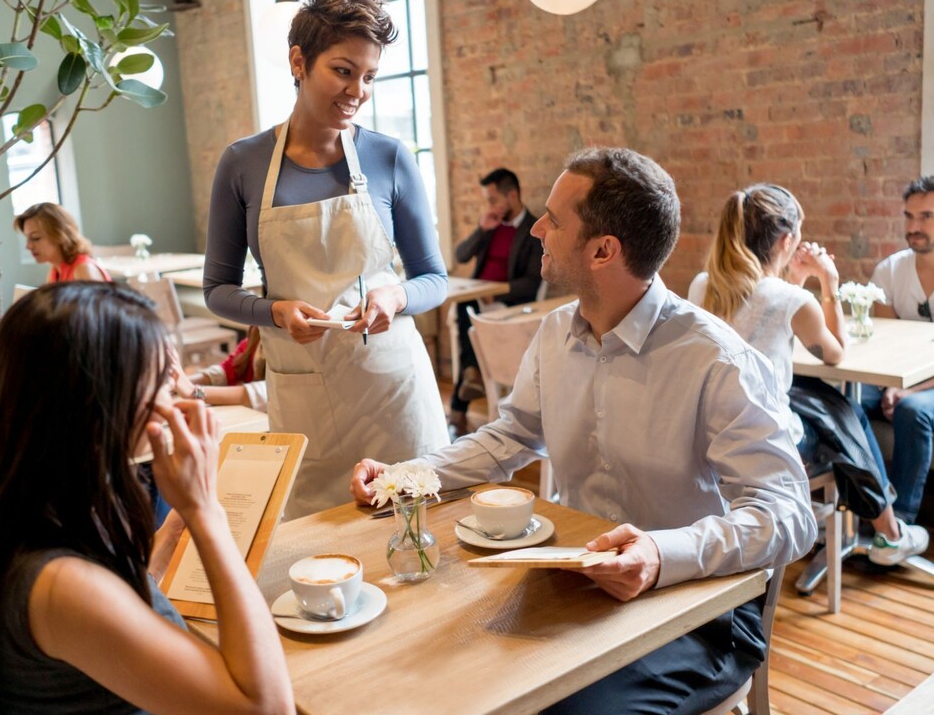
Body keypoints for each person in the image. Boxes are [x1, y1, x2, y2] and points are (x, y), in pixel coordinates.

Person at [350, 147, 816, 715]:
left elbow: (789, 515)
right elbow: (508, 438)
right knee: (428, 671)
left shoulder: (716, 358)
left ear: (603, 250)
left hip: (696, 610)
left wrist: (660, 554)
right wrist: (405, 477)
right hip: (574, 584)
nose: (538, 229)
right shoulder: (552, 334)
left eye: (554, 219)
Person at [0, 283, 294, 715]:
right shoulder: (60, 585)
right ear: (100, 403)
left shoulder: (18, 509)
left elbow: (121, 598)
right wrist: (205, 511)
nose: (176, 397)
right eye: (161, 380)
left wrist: (171, 533)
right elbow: (267, 707)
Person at [203, 0, 448, 518]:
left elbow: (433, 277)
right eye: (343, 71)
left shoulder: (388, 157)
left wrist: (396, 297)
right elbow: (216, 290)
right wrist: (274, 311)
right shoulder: (243, 164)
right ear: (299, 61)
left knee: (414, 545)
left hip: (393, 395)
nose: (357, 90)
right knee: (316, 553)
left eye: (369, 76)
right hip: (303, 398)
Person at [689, 184, 928, 565]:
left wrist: (794, 281)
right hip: (764, 439)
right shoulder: (791, 299)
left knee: (829, 404)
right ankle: (887, 531)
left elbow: (764, 326)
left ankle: (869, 526)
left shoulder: (703, 285)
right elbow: (835, 353)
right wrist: (827, 282)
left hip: (707, 431)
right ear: (786, 240)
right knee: (844, 414)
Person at [863, 174, 934, 528]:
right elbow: (887, 344)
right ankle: (868, 506)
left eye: (925, 217)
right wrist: (892, 384)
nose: (913, 226)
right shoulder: (890, 271)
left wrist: (910, 390)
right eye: (908, 216)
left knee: (913, 411)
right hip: (905, 379)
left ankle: (898, 527)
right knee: (846, 399)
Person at [448, 168, 543, 435]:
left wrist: (497, 293)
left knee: (469, 310)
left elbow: (532, 282)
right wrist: (481, 228)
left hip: (507, 305)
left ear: (512, 195)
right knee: (467, 307)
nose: (489, 206)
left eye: (493, 200)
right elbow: (461, 256)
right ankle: (471, 373)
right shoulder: (490, 226)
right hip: (477, 301)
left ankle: (461, 402)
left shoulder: (532, 230)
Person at [169, 326, 268, 411]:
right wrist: (179, 381)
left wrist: (193, 391)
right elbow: (228, 369)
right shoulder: (257, 333)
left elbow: (263, 394)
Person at [14, 202, 111, 282]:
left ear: (59, 235)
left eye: (35, 238)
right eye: (27, 238)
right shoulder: (55, 272)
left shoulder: (83, 270)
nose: (28, 246)